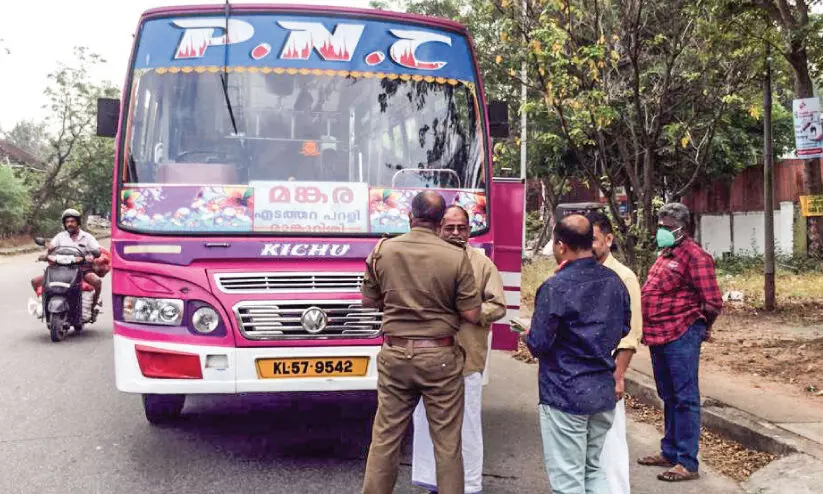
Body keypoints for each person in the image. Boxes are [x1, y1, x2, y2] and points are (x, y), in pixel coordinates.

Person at [361, 191, 482, 494]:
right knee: (447, 443)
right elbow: (470, 313)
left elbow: (367, 300)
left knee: (385, 438)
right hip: (440, 356)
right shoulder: (456, 256)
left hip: (395, 355)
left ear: (409, 216)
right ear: (441, 222)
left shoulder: (382, 251)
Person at [525, 214, 630, 494]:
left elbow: (539, 343)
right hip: (601, 389)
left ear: (561, 246)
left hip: (564, 391)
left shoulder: (555, 287)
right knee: (593, 470)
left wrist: (526, 335)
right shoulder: (614, 281)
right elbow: (624, 327)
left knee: (568, 480)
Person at [411, 205, 506, 494]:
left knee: (468, 427)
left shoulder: (481, 264)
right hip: (427, 359)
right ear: (438, 227)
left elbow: (498, 304)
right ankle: (432, 483)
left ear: (469, 229)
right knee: (427, 424)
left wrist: (473, 313)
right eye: (449, 227)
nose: (455, 233)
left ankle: (469, 486)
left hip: (467, 359)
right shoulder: (423, 260)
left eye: (461, 228)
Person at [637, 202, 722, 483]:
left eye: (667, 226)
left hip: (682, 334)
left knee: (685, 398)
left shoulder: (696, 256)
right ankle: (670, 451)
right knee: (668, 395)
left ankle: (687, 461)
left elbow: (712, 302)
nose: (662, 230)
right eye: (660, 225)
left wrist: (699, 327)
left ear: (682, 228)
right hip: (658, 334)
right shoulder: (665, 254)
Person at [587, 211, 643, 494]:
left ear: (609, 240)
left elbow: (630, 335)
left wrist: (619, 375)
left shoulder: (623, 277)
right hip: (582, 376)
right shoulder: (582, 272)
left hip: (608, 373)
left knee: (610, 445)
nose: (590, 245)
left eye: (594, 239)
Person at [30, 209, 103, 311]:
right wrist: (44, 255)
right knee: (35, 281)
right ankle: (44, 305)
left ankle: (94, 303)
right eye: (67, 222)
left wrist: (92, 256)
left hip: (82, 268)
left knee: (97, 281)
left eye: (72, 221)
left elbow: (97, 250)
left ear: (78, 222)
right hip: (59, 268)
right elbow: (51, 248)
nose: (70, 224)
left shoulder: (87, 237)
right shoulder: (60, 236)